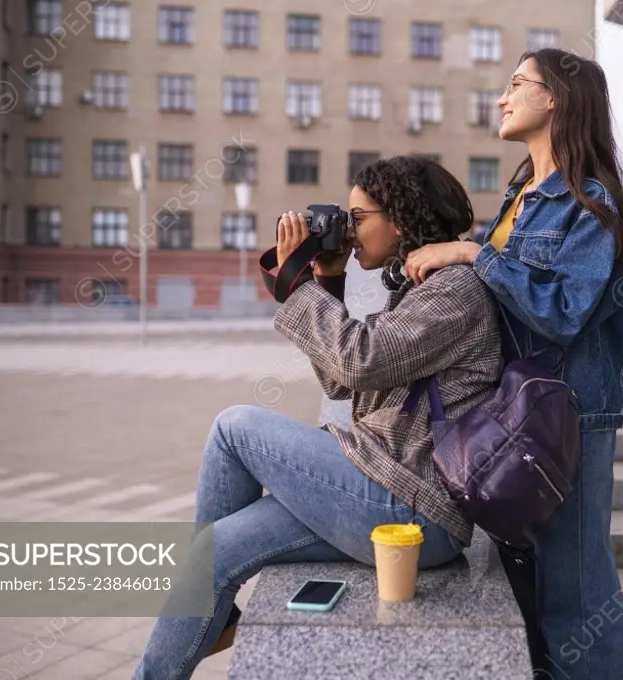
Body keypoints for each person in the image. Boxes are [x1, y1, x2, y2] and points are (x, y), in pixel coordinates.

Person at [132, 155, 503, 679]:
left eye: (357, 218)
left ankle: (207, 617)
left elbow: (359, 358)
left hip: (415, 511)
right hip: (382, 493)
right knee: (211, 556)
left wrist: (297, 286)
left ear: (398, 217)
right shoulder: (418, 290)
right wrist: (327, 282)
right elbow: (345, 380)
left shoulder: (455, 291)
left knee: (233, 426)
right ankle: (200, 629)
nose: (347, 233)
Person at [403, 49, 623, 680]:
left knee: (577, 590)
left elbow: (563, 311)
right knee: (537, 586)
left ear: (557, 98)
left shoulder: (590, 205)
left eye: (517, 84)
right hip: (515, 413)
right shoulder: (522, 193)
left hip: (569, 416)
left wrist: (468, 253)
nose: (504, 98)